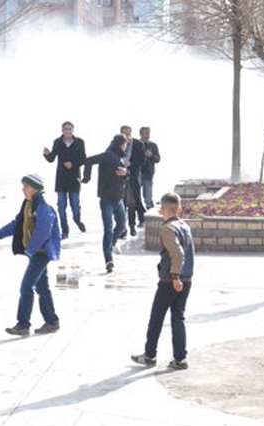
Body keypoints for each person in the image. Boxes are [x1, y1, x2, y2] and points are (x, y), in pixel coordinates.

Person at [131, 192, 195, 370]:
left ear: (162, 210)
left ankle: (150, 355)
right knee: (178, 318)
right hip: (187, 279)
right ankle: (180, 358)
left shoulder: (168, 228)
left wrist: (174, 276)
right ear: (179, 209)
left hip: (170, 280)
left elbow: (178, 253)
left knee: (156, 318)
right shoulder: (185, 226)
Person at [0, 174, 61, 336]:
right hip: (35, 252)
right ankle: (52, 321)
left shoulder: (43, 207)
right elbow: (18, 223)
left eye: (26, 187)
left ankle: (23, 324)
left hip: (41, 253)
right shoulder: (28, 204)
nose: (23, 189)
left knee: (26, 286)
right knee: (42, 287)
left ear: (34, 189)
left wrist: (30, 249)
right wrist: (1, 233)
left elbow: (44, 232)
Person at [83, 135, 128, 273]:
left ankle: (112, 244)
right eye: (126, 144)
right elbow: (89, 160)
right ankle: (108, 260)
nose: (126, 147)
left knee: (121, 225)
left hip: (118, 198)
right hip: (107, 199)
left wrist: (125, 173)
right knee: (108, 229)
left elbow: (123, 176)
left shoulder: (120, 157)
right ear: (122, 144)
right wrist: (86, 178)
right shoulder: (108, 155)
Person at [43, 121, 87, 240]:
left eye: (70, 129)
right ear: (62, 130)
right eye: (65, 129)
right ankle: (65, 230)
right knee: (61, 207)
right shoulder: (57, 142)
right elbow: (52, 159)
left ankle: (77, 221)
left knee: (75, 205)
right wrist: (46, 154)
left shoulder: (79, 142)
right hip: (61, 179)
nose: (67, 131)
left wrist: (72, 164)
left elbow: (83, 159)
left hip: (74, 178)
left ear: (73, 130)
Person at [126, 127, 146, 236]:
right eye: (123, 132)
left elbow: (142, 160)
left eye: (128, 132)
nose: (126, 135)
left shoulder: (138, 144)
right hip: (120, 178)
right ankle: (122, 228)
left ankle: (132, 225)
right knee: (122, 204)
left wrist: (130, 164)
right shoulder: (116, 143)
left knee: (133, 202)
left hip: (133, 176)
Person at [139, 126, 161, 210]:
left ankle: (150, 215)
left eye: (148, 133)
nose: (148, 135)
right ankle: (139, 219)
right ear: (141, 134)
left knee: (148, 198)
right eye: (146, 133)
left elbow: (158, 159)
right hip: (137, 174)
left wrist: (151, 156)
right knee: (135, 199)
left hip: (148, 175)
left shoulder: (153, 145)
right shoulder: (136, 144)